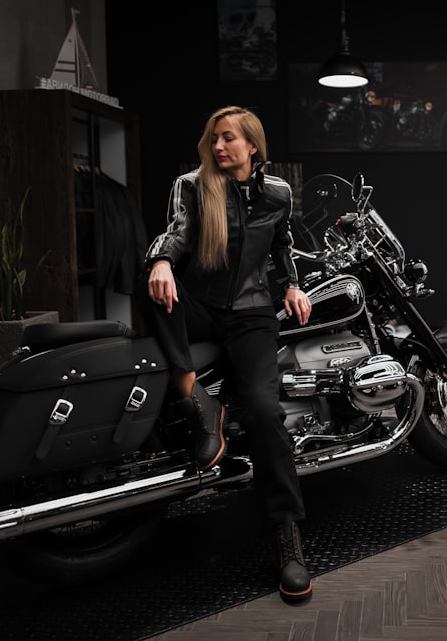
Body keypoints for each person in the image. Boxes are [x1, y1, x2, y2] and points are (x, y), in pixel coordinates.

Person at [135, 105, 314, 603]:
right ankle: (198, 400)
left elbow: (282, 245)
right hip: (200, 305)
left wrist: (293, 287)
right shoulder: (192, 185)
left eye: (228, 138)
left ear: (252, 146)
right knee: (148, 269)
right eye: (214, 138)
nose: (218, 146)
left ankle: (288, 538)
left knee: (262, 409)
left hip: (253, 313)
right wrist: (166, 260)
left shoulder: (277, 193)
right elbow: (177, 230)